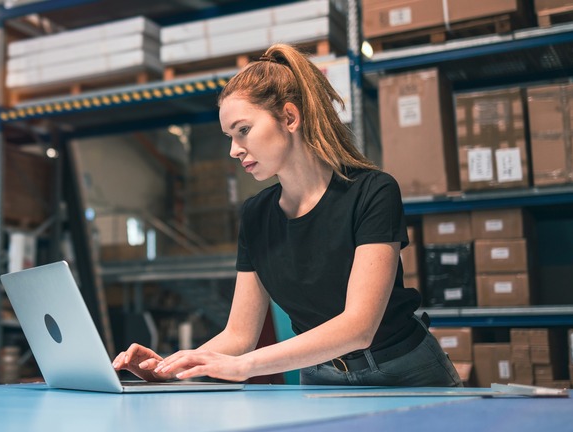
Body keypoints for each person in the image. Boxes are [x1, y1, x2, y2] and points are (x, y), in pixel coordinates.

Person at [112, 43, 462, 387]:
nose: (234, 150)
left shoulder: (373, 192)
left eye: (243, 130)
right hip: (321, 376)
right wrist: (171, 368)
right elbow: (238, 334)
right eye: (229, 137)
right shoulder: (255, 215)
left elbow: (359, 327)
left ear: (289, 117)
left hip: (405, 372)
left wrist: (245, 366)